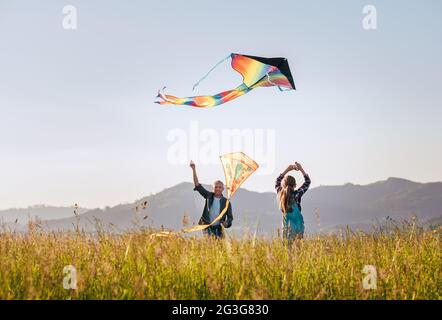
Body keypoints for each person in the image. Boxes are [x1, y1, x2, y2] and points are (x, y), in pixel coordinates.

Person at [190, 160, 233, 238]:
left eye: (220, 187)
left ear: (223, 189)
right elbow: (197, 185)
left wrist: (227, 223)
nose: (217, 189)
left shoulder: (226, 202)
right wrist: (194, 169)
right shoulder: (209, 196)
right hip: (207, 226)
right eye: (216, 187)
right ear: (213, 188)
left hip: (219, 227)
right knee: (209, 245)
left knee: (220, 247)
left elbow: (230, 217)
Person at [275, 162, 311, 244]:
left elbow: (277, 181)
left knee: (287, 252)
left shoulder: (281, 194)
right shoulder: (297, 195)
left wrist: (287, 169)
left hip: (287, 228)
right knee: (297, 252)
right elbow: (307, 182)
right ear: (295, 185)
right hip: (299, 227)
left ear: (284, 185)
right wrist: (301, 169)